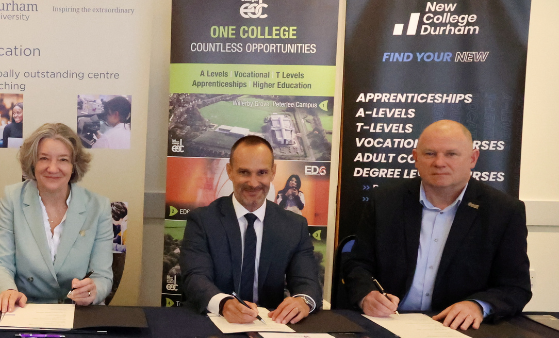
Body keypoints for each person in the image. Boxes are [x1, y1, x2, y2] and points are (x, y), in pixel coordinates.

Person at [342, 120, 530, 330]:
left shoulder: (503, 211)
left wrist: (477, 305)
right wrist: (366, 295)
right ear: (415, 158)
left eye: (451, 154)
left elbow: (515, 286)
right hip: (390, 323)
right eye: (430, 153)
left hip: (458, 328)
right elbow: (357, 264)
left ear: (473, 158)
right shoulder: (384, 201)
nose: (439, 162)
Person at [180, 135, 321, 324]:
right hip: (215, 324)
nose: (253, 183)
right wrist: (223, 303)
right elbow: (194, 277)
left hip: (272, 327)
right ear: (229, 171)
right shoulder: (202, 220)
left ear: (273, 172)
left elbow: (308, 282)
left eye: (261, 173)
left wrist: (303, 301)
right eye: (244, 172)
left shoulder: (294, 225)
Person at [0, 123, 114, 312]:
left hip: (76, 312)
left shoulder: (98, 206)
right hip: (21, 307)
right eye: (44, 159)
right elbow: (0, 264)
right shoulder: (12, 198)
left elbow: (103, 276)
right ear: (33, 163)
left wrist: (92, 291)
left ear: (74, 165)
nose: (52, 168)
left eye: (63, 160)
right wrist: (7, 290)